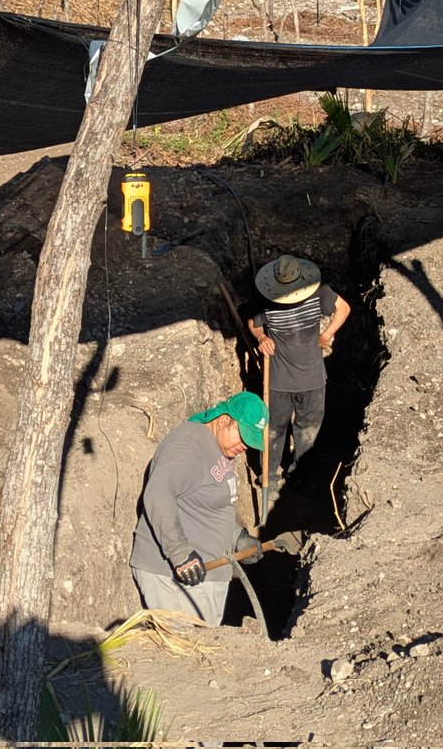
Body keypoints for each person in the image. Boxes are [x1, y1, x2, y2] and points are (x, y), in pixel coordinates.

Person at [130, 392, 267, 623]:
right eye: (242, 436)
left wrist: (236, 538)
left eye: (249, 442)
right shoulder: (189, 446)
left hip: (206, 575)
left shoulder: (217, 447)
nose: (244, 446)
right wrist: (180, 553)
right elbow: (159, 494)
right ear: (224, 419)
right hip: (176, 578)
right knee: (189, 652)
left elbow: (205, 504)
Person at [248, 254, 350, 502]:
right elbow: (253, 322)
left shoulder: (319, 293)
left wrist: (326, 335)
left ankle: (301, 475)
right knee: (273, 430)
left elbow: (344, 308)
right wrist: (261, 338)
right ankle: (269, 478)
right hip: (279, 379)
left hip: (312, 378)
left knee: (308, 430)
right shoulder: (267, 298)